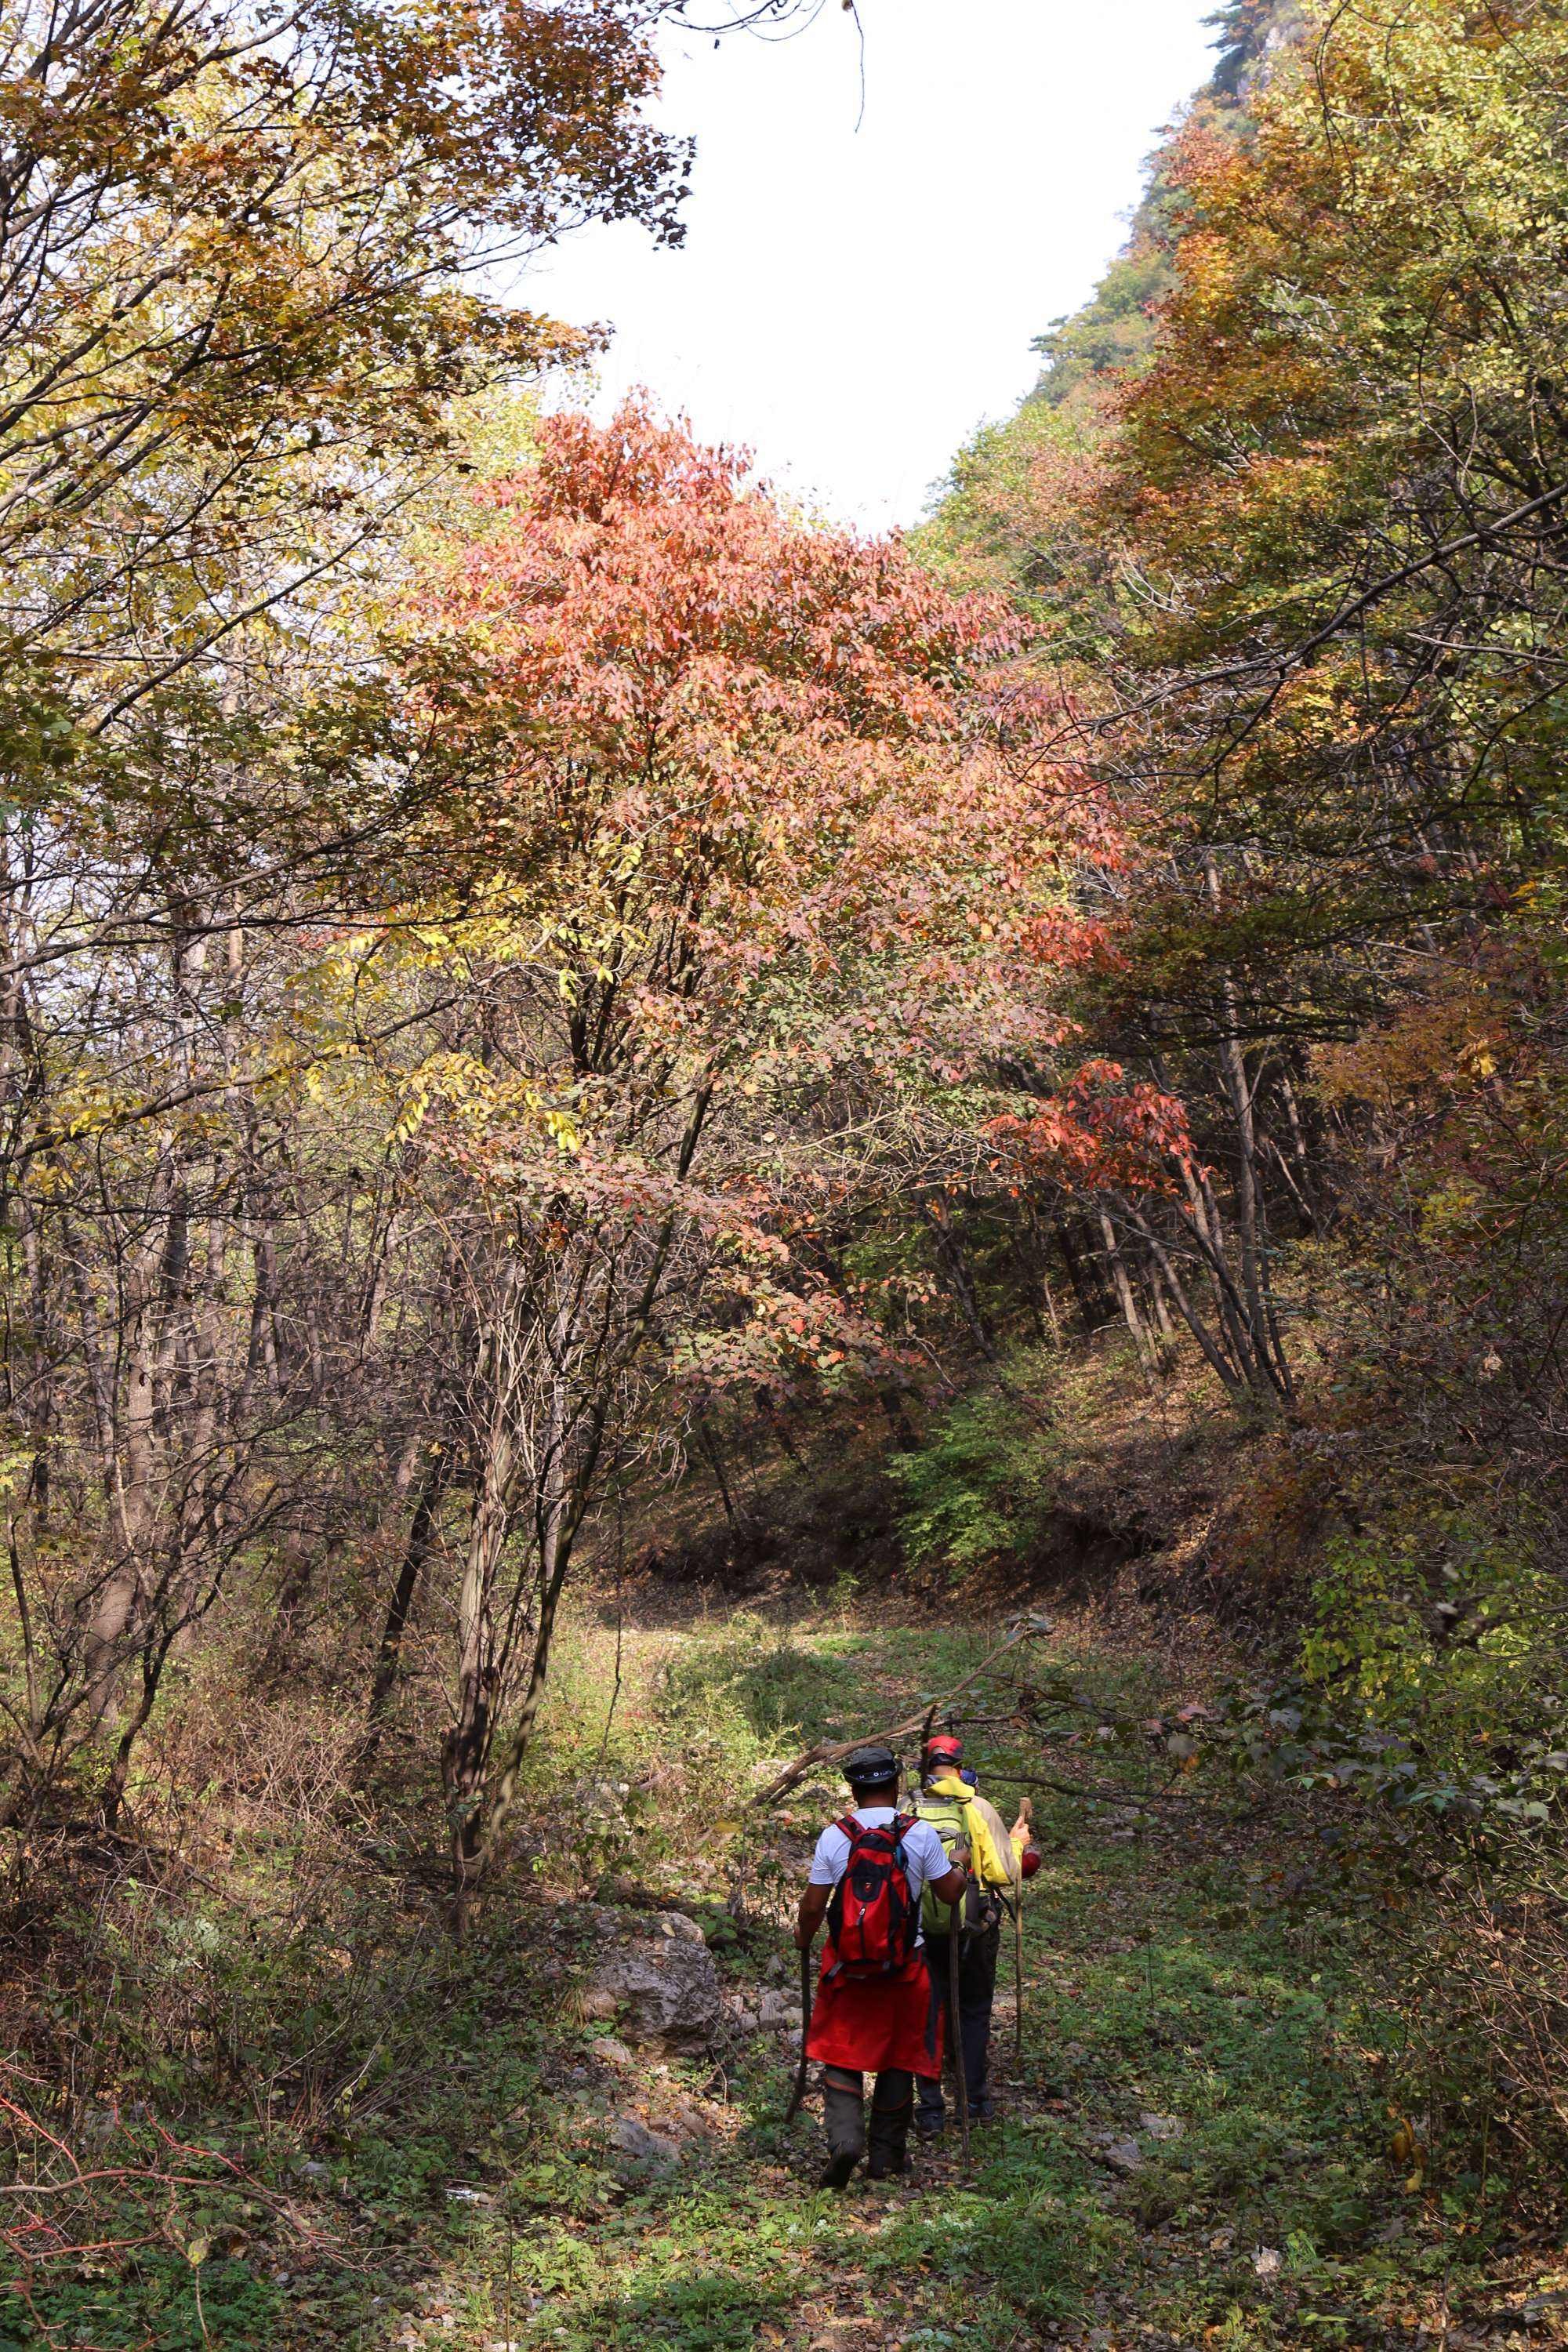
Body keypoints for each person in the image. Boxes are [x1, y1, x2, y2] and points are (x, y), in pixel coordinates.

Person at [795, 1744, 967, 2189]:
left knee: (840, 2052)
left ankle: (846, 2141)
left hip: (847, 1969)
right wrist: (961, 1868)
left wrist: (802, 1938)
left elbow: (814, 1905)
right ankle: (887, 2157)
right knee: (898, 2057)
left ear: (854, 1792)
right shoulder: (920, 1833)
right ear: (896, 1787)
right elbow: (950, 1894)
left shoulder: (835, 1836)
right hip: (904, 1968)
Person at [913, 1732, 1036, 2138]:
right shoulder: (977, 1806)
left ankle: (929, 2107)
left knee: (928, 2013)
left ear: (926, 1765)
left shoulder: (907, 1809)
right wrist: (1017, 1844)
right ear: (961, 1764)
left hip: (918, 1929)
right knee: (973, 2009)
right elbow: (1006, 1872)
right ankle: (976, 2100)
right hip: (972, 1924)